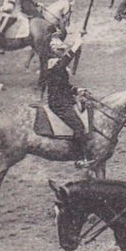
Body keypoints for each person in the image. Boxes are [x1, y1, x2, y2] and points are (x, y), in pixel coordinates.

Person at [40, 32, 88, 165]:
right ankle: (80, 157)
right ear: (53, 51)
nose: (62, 51)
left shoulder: (58, 64)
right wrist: (76, 44)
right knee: (79, 127)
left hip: (65, 98)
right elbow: (65, 60)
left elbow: (64, 85)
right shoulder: (51, 63)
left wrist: (77, 90)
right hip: (58, 103)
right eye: (59, 50)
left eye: (62, 49)